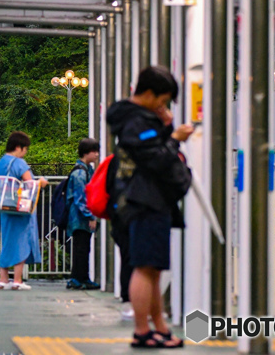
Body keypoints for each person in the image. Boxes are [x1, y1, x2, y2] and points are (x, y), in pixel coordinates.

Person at [107, 66, 194, 348]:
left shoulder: (138, 118)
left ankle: (159, 327)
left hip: (149, 200)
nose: (163, 105)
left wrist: (166, 127)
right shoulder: (136, 122)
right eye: (162, 99)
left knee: (153, 268)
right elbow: (154, 158)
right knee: (145, 267)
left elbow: (153, 149)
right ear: (147, 93)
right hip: (144, 201)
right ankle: (142, 331)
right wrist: (175, 138)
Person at [0, 131, 48, 290]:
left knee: (7, 241)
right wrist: (41, 182)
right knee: (22, 241)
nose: (25, 153)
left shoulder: (2, 162)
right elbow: (29, 183)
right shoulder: (19, 163)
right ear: (18, 147)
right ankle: (17, 280)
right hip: (20, 208)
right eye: (25, 149)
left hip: (4, 206)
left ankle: (3, 279)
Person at [65, 137, 100, 290]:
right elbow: (80, 199)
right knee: (81, 248)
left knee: (83, 248)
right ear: (87, 153)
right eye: (95, 151)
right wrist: (90, 216)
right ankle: (78, 278)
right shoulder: (81, 173)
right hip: (79, 218)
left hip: (79, 217)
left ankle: (81, 277)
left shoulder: (84, 169)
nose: (97, 154)